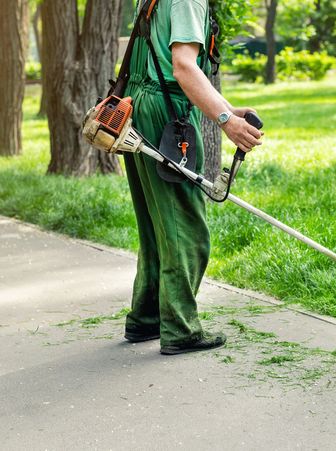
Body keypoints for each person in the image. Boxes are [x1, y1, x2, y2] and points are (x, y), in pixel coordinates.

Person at [122, 0, 263, 355]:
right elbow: (183, 68)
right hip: (168, 116)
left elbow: (162, 65)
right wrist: (227, 123)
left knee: (157, 225)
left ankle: (146, 319)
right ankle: (180, 329)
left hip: (139, 107)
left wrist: (226, 107)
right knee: (186, 229)